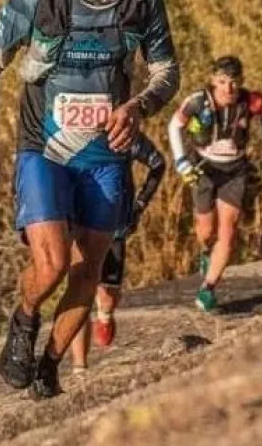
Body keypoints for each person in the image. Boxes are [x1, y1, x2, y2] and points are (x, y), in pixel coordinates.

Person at [0, 0, 180, 400]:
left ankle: (50, 366)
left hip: (106, 154)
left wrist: (139, 105)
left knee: (89, 270)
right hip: (45, 147)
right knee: (52, 263)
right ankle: (25, 317)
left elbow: (167, 70)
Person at [166, 55, 262, 313]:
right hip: (204, 169)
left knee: (228, 231)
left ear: (241, 81)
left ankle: (208, 289)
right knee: (206, 231)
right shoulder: (197, 101)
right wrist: (181, 162)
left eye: (234, 82)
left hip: (235, 170)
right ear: (213, 81)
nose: (229, 88)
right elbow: (174, 126)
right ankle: (207, 251)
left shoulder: (251, 101)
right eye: (222, 82)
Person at [68, 132, 165, 373]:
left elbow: (158, 163)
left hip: (114, 227)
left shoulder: (124, 134)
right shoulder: (68, 133)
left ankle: (105, 314)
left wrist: (139, 204)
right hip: (78, 223)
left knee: (107, 296)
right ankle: (80, 367)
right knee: (80, 292)